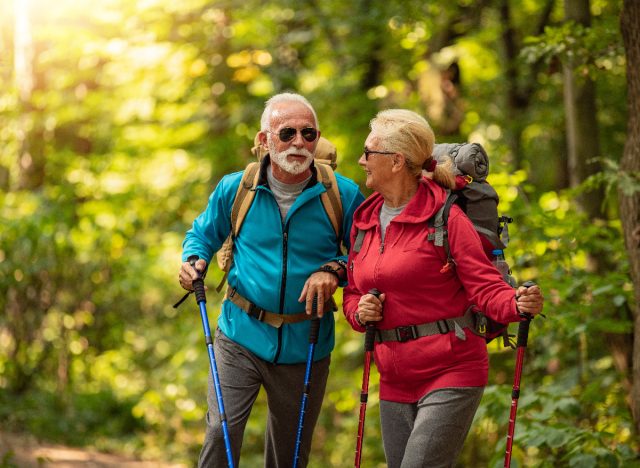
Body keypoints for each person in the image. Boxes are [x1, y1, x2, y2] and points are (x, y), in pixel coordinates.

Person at [342, 109, 544, 468]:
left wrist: (517, 303)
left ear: (396, 161)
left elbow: (485, 288)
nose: (361, 160)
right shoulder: (365, 221)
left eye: (368, 153)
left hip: (451, 369)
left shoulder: (446, 217)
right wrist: (359, 311)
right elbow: (353, 294)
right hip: (394, 379)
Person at [178, 92, 364, 467]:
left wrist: (334, 270)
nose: (299, 142)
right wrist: (193, 259)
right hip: (240, 333)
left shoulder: (341, 194)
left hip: (306, 341)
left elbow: (368, 254)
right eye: (287, 132)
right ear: (264, 140)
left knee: (290, 454)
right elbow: (201, 235)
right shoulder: (237, 188)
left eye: (308, 134)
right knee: (221, 431)